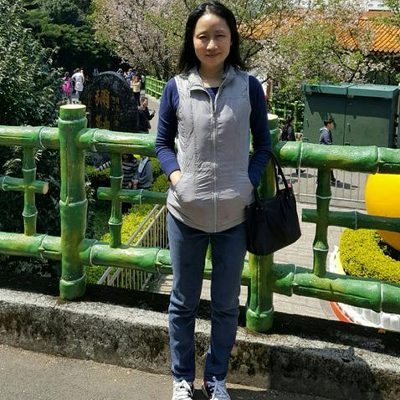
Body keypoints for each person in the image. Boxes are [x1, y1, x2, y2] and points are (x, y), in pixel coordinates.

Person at [155, 2, 271, 400]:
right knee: (183, 302)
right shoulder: (176, 87)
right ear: (191, 40)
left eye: (219, 35)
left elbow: (263, 145)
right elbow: (162, 143)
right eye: (203, 36)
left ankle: (216, 378)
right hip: (185, 213)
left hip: (234, 217)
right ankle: (182, 379)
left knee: (225, 304)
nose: (211, 44)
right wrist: (178, 180)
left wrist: (246, 184)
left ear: (232, 39)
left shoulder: (249, 87)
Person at [319, 119, 338, 185]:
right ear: (328, 125)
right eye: (331, 124)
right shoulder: (325, 132)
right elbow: (328, 143)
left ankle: (332, 179)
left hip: (325, 151)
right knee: (325, 166)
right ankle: (320, 180)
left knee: (328, 165)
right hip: (324, 151)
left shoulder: (327, 131)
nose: (332, 125)